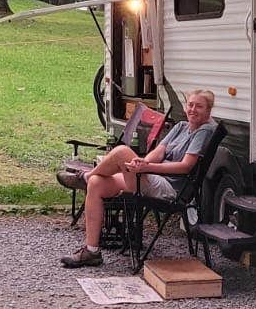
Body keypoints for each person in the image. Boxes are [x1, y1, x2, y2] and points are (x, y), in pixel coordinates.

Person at [61, 89, 220, 268]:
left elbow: (185, 167)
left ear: (208, 111)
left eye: (199, 106)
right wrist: (141, 162)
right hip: (152, 178)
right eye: (190, 105)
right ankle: (91, 251)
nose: (193, 109)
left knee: (121, 152)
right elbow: (158, 152)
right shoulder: (181, 127)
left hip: (170, 189)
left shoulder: (204, 130)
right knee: (97, 184)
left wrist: (147, 167)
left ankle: (87, 175)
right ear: (185, 107)